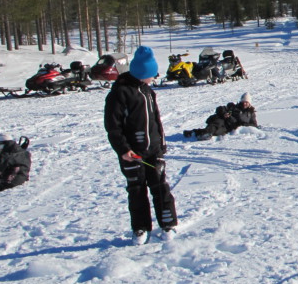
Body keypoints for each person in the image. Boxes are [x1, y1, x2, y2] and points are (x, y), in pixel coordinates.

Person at [104, 46, 178, 245]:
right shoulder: (120, 93)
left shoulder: (148, 91)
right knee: (136, 190)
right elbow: (113, 126)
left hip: (153, 150)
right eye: (151, 75)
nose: (154, 78)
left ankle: (168, 224)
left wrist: (161, 146)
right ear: (141, 73)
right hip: (132, 153)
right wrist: (123, 149)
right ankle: (140, 228)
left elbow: (156, 121)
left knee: (160, 187)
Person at [183, 92, 259, 140]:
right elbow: (220, 108)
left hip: (230, 127)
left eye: (247, 102)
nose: (244, 103)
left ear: (249, 103)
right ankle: (204, 134)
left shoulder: (251, 113)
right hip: (224, 121)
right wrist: (224, 114)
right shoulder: (234, 107)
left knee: (217, 132)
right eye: (243, 101)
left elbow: (254, 125)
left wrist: (244, 124)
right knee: (216, 124)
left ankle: (195, 132)